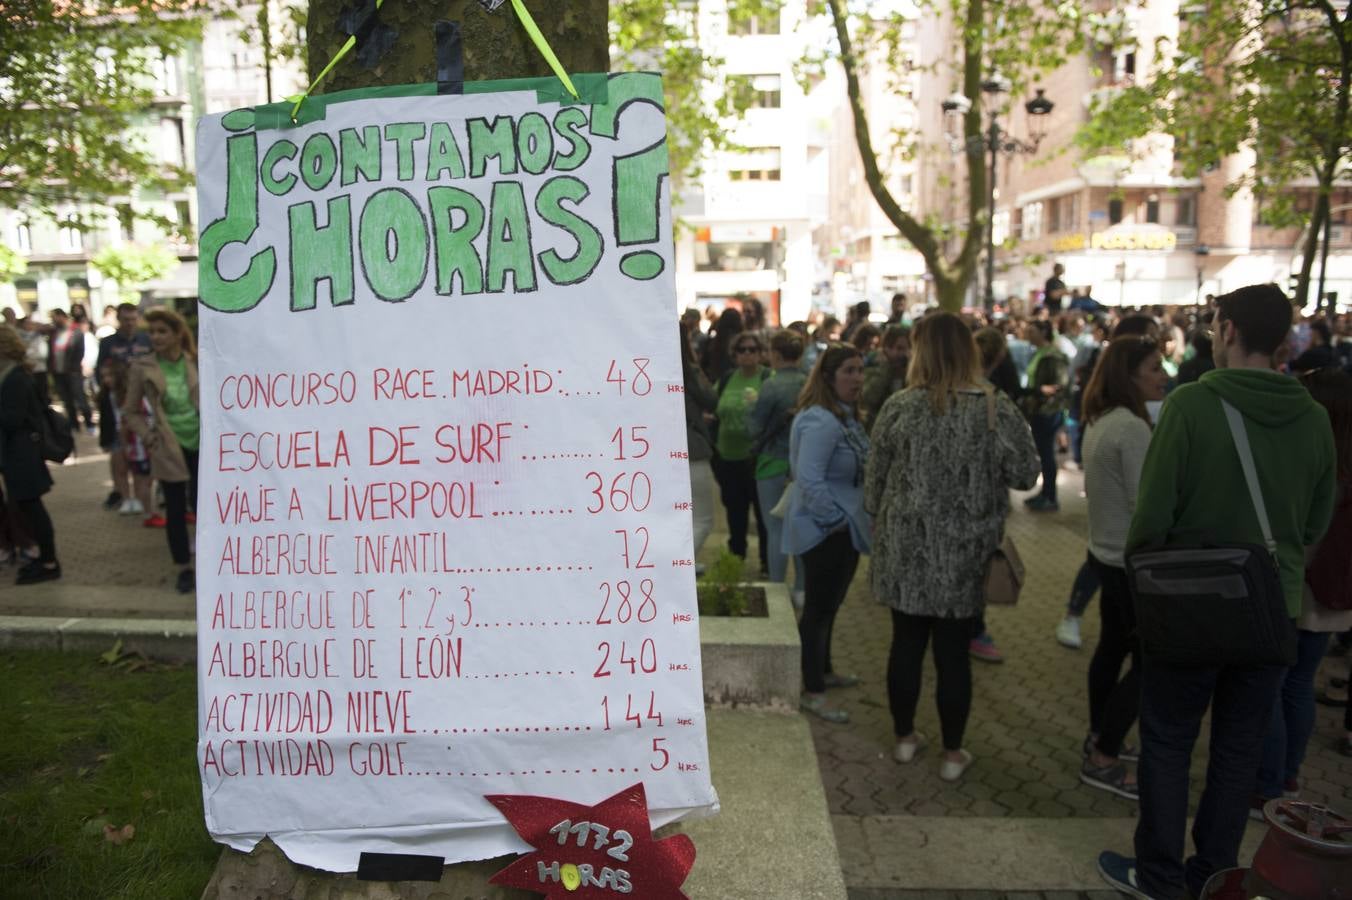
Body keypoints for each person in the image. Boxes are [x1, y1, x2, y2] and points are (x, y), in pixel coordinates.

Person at [1098, 284, 1337, 900]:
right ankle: (1213, 875)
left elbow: (1151, 518)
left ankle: (1158, 876)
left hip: (1189, 608)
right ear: (1281, 339)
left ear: (1227, 330)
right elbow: (1314, 524)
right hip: (1270, 613)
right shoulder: (1312, 417)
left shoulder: (1189, 407)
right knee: (1237, 751)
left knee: (1170, 742)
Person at [865, 313, 1038, 779]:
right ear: (969, 351)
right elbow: (1027, 474)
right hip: (966, 554)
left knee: (905, 644)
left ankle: (904, 740)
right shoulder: (994, 408)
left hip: (905, 549)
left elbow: (872, 488)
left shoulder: (900, 406)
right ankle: (952, 754)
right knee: (953, 654)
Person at [1252, 367, 1352, 812]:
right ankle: (1288, 775)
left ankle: (1269, 785)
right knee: (1298, 685)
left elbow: (1307, 534)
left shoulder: (1321, 462)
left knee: (1274, 687)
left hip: (1302, 590)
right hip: (1334, 598)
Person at [1075, 336, 1169, 800]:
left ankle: (1100, 735)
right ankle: (1105, 754)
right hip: (1131, 564)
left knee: (1111, 650)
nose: (1163, 374)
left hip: (1106, 557)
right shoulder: (1130, 428)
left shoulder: (1102, 419)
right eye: (1154, 366)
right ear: (1129, 374)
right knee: (1149, 664)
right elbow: (1144, 504)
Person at [784, 344, 870, 723]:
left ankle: (825, 671)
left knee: (829, 607)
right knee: (818, 610)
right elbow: (809, 478)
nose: (858, 378)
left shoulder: (843, 417)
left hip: (840, 529)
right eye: (849, 371)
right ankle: (812, 689)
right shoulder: (822, 421)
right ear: (829, 376)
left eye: (860, 370)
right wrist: (835, 520)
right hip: (825, 532)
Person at [123, 308, 201, 594]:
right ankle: (183, 567)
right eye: (152, 332)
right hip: (168, 445)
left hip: (203, 442)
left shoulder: (196, 359)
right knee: (176, 509)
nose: (155, 336)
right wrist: (149, 437)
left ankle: (210, 562)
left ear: (177, 333)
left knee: (204, 506)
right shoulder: (143, 366)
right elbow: (130, 412)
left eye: (161, 331)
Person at [748, 329, 808, 607]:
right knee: (801, 529)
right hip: (803, 466)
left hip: (771, 464)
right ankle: (802, 589)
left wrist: (751, 407)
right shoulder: (810, 383)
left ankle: (775, 589)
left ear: (776, 354)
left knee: (775, 529)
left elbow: (754, 429)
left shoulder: (770, 386)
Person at [0, 324, 60, 584]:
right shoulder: (13, 374)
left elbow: (13, 419)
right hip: (20, 453)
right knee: (27, 508)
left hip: (22, 454)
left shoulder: (15, 377)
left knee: (32, 508)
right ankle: (44, 559)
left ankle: (48, 561)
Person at [712, 332, 771, 573]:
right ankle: (736, 559)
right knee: (735, 514)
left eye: (752, 349)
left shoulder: (768, 378)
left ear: (760, 353)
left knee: (762, 513)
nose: (747, 354)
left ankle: (768, 562)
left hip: (757, 459)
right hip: (727, 458)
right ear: (735, 355)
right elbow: (714, 406)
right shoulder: (727, 380)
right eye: (742, 350)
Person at [95, 302, 151, 512]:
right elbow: (100, 371)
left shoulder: (146, 340)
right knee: (117, 451)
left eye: (133, 319)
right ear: (118, 320)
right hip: (116, 404)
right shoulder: (108, 343)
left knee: (141, 453)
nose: (130, 324)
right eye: (126, 320)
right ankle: (123, 495)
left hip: (143, 405)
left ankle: (140, 496)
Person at [1021, 319, 1070, 512]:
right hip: (1041, 409)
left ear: (1043, 333)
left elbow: (1058, 386)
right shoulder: (1040, 354)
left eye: (1032, 331)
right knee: (1044, 453)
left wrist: (1042, 399)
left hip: (1047, 411)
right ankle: (1046, 493)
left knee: (1047, 453)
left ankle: (1050, 496)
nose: (1028, 335)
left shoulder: (1052, 357)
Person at [681, 322, 718, 567]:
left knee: (678, 517)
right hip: (691, 450)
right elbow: (711, 400)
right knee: (703, 519)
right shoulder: (686, 370)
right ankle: (680, 566)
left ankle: (682, 565)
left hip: (652, 453)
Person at [47, 308, 94, 435]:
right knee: (67, 401)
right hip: (58, 372)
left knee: (80, 398)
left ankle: (89, 423)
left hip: (73, 372)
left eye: (54, 317)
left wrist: (74, 367)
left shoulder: (75, 332)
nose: (53, 321)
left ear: (62, 316)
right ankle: (74, 425)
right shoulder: (54, 333)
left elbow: (80, 351)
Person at [859, 324, 910, 434]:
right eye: (891, 347)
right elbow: (868, 397)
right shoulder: (872, 365)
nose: (896, 353)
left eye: (902, 348)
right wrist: (885, 370)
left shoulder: (911, 371)